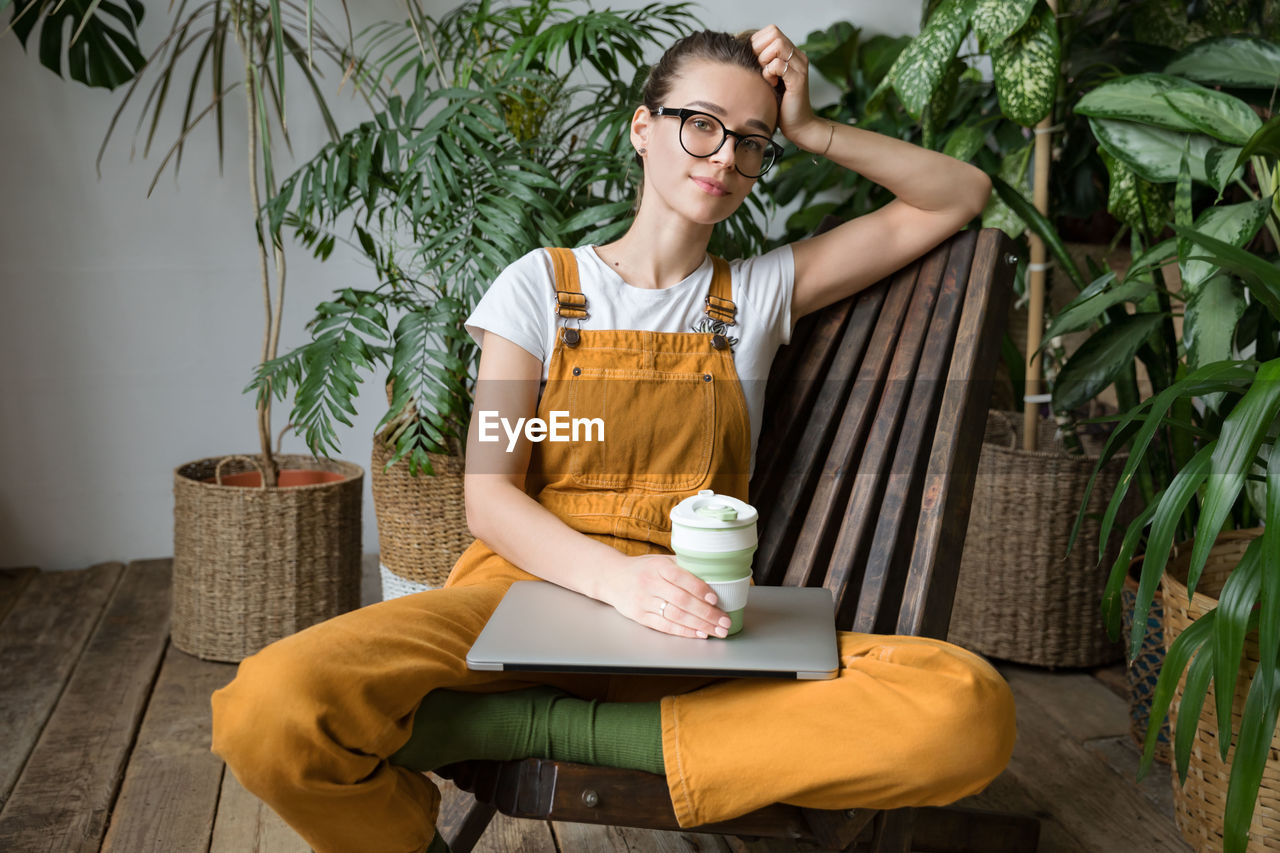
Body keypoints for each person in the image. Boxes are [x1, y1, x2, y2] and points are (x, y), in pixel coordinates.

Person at [210, 25, 1017, 853]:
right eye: (701, 124)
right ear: (643, 127)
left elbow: (957, 193)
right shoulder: (539, 287)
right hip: (517, 600)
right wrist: (620, 581)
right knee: (269, 707)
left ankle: (524, 728)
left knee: (966, 707)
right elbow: (488, 493)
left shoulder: (762, 293)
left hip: (697, 626)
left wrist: (813, 129)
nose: (724, 157)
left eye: (752, 142)